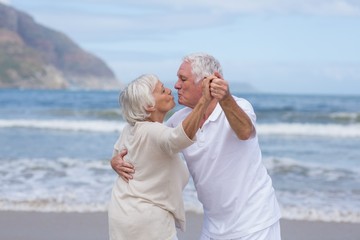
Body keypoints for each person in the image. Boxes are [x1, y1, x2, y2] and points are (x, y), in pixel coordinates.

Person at [111, 53, 281, 240]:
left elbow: (245, 132)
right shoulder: (178, 121)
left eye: (183, 79)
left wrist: (225, 98)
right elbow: (144, 136)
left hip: (255, 222)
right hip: (213, 227)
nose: (176, 85)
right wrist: (116, 159)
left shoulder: (239, 106)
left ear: (207, 82)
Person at [108, 74, 212, 240]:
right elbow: (177, 139)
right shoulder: (152, 131)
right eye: (163, 90)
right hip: (147, 217)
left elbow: (116, 155)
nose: (170, 90)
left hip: (121, 210)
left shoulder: (130, 129)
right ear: (149, 106)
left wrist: (114, 162)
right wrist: (204, 100)